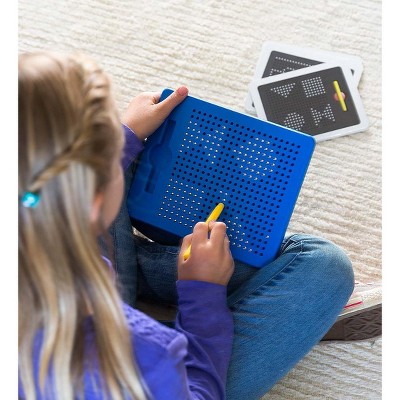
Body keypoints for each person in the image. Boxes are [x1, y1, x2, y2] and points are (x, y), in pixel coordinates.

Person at [19, 52, 234, 400]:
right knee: (318, 266)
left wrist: (126, 136)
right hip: (128, 367)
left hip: (65, 304)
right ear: (91, 201)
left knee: (137, 152)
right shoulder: (152, 349)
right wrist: (202, 294)